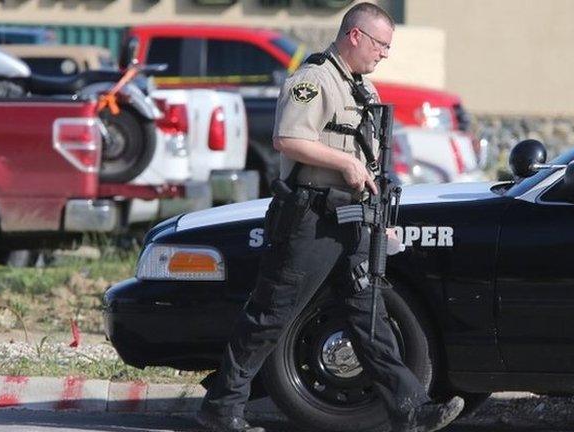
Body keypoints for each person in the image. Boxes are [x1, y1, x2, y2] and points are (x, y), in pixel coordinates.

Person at [196, 3, 464, 432]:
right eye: (380, 44)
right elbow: (288, 140)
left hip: (352, 218)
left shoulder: (362, 90)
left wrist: (378, 209)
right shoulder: (314, 79)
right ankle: (222, 406)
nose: (385, 54)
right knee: (272, 314)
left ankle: (410, 409)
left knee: (369, 316)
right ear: (354, 36)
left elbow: (368, 157)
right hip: (311, 219)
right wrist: (344, 164)